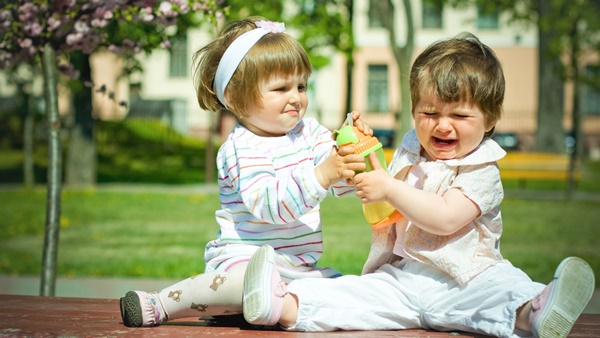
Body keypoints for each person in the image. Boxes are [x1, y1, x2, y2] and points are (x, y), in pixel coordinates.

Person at [241, 32, 595, 338]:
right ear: (414, 111)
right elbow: (382, 215)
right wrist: (368, 166)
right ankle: (282, 305)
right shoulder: (411, 151)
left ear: (490, 120)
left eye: (459, 115)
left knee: (502, 291)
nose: (442, 126)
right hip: (401, 278)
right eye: (430, 113)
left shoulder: (482, 169)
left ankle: (537, 310)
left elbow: (444, 219)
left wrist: (390, 187)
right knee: (350, 294)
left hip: (466, 278)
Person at [119, 16, 371, 327]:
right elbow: (268, 205)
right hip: (244, 260)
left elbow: (337, 183)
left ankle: (264, 306)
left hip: (298, 267)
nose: (296, 97)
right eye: (281, 87)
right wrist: (323, 174)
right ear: (237, 99)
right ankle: (163, 303)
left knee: (350, 288)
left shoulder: (312, 133)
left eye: (301, 85)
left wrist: (349, 152)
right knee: (234, 283)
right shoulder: (240, 148)